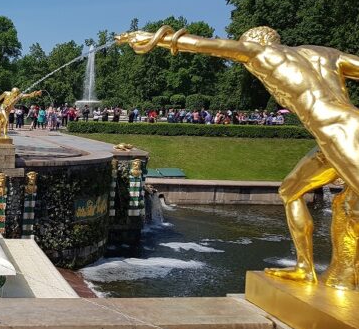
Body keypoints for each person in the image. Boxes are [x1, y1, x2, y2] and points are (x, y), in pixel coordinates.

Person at [117, 24, 359, 289]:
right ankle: (312, 269)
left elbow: (203, 45)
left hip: (337, 131)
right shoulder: (325, 54)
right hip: (335, 133)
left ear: (258, 42)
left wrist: (151, 39)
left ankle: (340, 272)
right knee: (291, 191)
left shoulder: (262, 54)